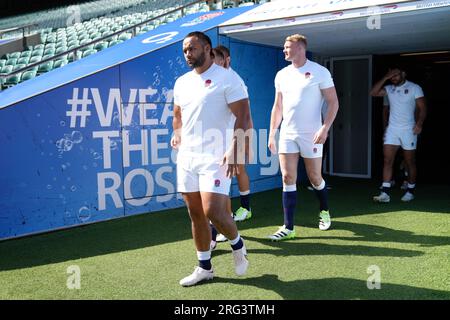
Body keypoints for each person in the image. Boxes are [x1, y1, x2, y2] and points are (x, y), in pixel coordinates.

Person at [171, 31, 251, 286]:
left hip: (216, 156)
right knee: (195, 213)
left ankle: (238, 245)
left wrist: (235, 149)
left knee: (213, 211)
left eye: (192, 48)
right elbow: (178, 115)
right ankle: (204, 267)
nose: (187, 54)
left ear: (206, 48)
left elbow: (243, 117)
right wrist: (177, 133)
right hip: (187, 157)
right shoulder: (182, 82)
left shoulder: (228, 79)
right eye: (185, 50)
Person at [267, 34, 339, 240]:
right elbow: (278, 106)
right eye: (284, 47)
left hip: (312, 134)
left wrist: (325, 128)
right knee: (287, 178)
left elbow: (333, 102)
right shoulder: (281, 74)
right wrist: (273, 132)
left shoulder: (319, 72)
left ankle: (324, 210)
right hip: (288, 133)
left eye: (287, 47)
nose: (284, 50)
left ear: (300, 49)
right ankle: (288, 227)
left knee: (315, 178)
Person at [370, 66, 427, 202]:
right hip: (392, 130)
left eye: (396, 75)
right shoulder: (389, 89)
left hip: (409, 129)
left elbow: (423, 108)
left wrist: (419, 124)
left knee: (409, 161)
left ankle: (410, 190)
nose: (393, 78)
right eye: (391, 76)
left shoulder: (414, 87)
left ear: (403, 73)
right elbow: (373, 92)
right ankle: (385, 193)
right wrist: (385, 78)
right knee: (387, 160)